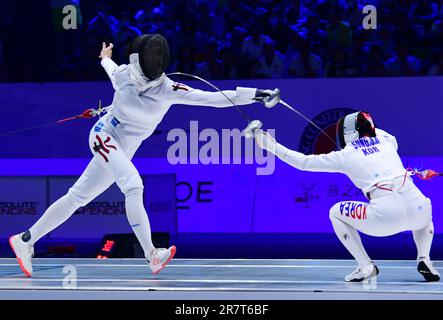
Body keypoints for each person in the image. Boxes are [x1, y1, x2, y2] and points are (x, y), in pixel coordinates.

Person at [9, 34, 280, 277]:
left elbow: (214, 98)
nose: (155, 60)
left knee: (76, 197)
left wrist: (255, 95)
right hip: (103, 136)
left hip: (124, 148)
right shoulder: (125, 74)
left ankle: (25, 240)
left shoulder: (169, 89)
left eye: (158, 57)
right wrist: (105, 58)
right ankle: (152, 254)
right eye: (151, 56)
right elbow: (112, 70)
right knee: (133, 185)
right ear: (139, 59)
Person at [254, 111, 440, 282]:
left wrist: (272, 146)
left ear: (348, 133)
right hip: (419, 211)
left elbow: (303, 162)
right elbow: (383, 135)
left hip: (385, 219)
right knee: (424, 207)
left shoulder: (345, 156)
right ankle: (424, 258)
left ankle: (365, 266)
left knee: (335, 212)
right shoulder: (386, 141)